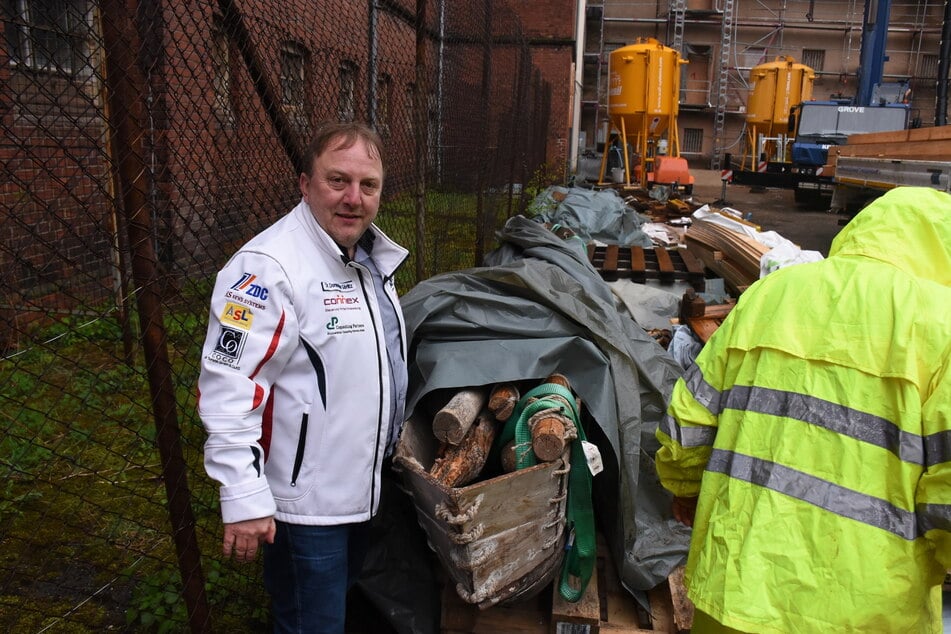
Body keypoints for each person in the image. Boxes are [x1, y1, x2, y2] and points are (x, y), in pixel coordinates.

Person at [655, 186, 951, 633]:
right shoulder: (941, 326)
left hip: (735, 592)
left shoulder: (771, 294)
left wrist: (684, 488)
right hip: (868, 613)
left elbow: (691, 419)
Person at [198, 121, 409, 633]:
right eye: (338, 181)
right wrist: (244, 498)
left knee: (329, 614)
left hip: (360, 490)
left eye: (369, 186)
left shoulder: (363, 258)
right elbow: (230, 389)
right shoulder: (268, 269)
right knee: (310, 624)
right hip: (306, 508)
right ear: (304, 183)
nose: (353, 198)